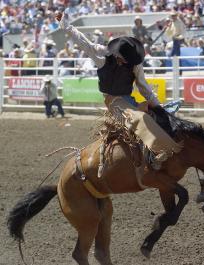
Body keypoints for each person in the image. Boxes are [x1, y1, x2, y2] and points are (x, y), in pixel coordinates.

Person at [56, 12, 182, 169]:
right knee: (137, 118)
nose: (125, 62)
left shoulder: (135, 63)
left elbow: (144, 87)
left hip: (128, 99)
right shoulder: (102, 57)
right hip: (113, 100)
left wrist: (157, 106)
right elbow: (83, 42)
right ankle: (157, 151)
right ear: (116, 54)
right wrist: (66, 26)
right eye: (123, 59)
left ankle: (166, 142)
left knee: (156, 113)